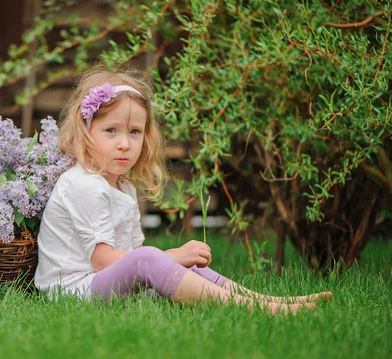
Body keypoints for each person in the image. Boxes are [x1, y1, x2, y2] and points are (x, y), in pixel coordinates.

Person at [34, 67, 332, 314]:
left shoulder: (121, 185)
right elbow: (105, 262)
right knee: (156, 259)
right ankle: (262, 310)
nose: (125, 143)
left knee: (187, 270)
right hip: (73, 291)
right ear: (86, 132)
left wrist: (167, 263)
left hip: (103, 284)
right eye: (111, 131)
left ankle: (269, 302)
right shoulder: (84, 183)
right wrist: (172, 255)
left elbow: (135, 257)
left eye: (134, 132)